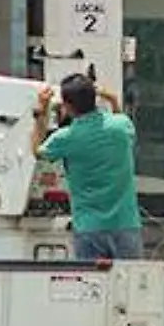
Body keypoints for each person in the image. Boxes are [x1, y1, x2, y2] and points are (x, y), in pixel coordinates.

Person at [33, 73, 143, 261]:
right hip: (126, 224)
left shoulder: (66, 137)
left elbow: (37, 150)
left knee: (91, 287)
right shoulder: (121, 126)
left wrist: (40, 113)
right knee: (130, 287)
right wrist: (113, 99)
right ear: (95, 98)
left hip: (89, 228)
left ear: (67, 106)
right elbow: (122, 120)